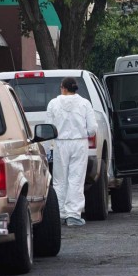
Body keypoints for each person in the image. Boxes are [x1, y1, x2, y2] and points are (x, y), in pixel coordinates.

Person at [46, 77, 98, 227]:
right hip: (79, 143)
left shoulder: (53, 104)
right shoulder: (84, 103)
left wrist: (47, 146)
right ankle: (73, 214)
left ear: (63, 88)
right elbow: (93, 128)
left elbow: (48, 127)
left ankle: (60, 212)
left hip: (60, 143)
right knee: (76, 178)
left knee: (59, 179)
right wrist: (84, 133)